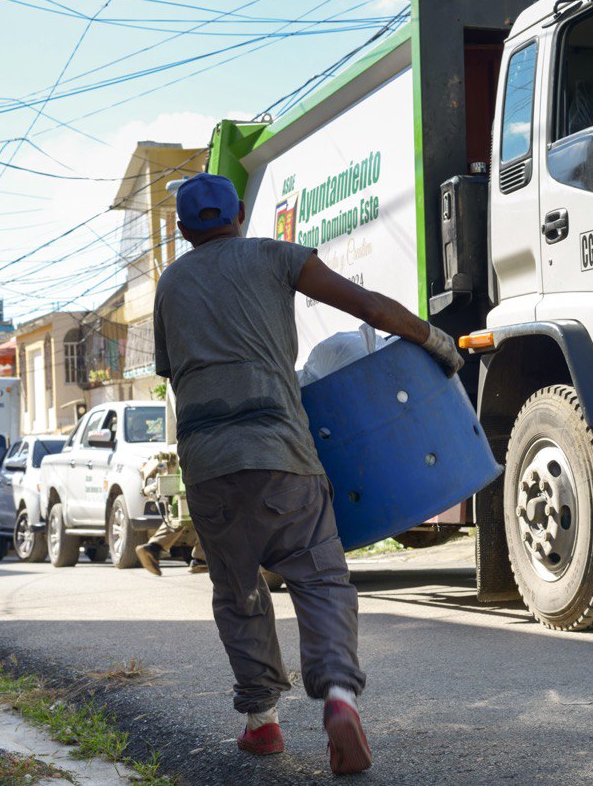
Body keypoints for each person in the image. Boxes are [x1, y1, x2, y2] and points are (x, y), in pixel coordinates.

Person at [153, 173, 462, 775]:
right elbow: (369, 307)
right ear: (239, 214)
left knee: (239, 592)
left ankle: (262, 724)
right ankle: (339, 697)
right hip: (282, 452)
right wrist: (433, 339)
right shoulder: (276, 255)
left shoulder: (171, 282)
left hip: (210, 465)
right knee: (320, 579)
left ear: (186, 229)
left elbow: (173, 369)